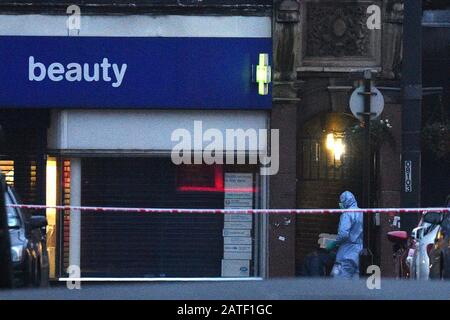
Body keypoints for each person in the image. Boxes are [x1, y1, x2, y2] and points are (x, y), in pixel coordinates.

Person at [326, 191, 363, 279]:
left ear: (345, 201)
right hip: (360, 250)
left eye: (341, 202)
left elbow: (343, 234)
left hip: (347, 251)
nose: (340, 204)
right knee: (356, 279)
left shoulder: (347, 214)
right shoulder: (362, 212)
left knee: (339, 279)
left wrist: (334, 243)